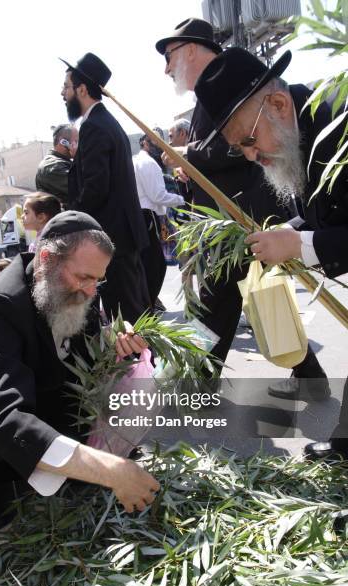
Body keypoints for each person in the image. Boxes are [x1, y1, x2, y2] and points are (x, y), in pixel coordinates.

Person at [0, 210, 159, 554]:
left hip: (36, 393)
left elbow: (79, 359)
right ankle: (4, 507)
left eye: (97, 281)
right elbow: (0, 413)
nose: (90, 292)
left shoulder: (81, 290)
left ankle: (64, 471)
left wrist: (115, 344)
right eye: (84, 277)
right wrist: (110, 471)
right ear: (45, 260)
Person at [155, 18, 328, 396]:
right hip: (230, 225)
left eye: (169, 57)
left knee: (217, 305)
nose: (167, 69)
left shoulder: (247, 90)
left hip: (242, 221)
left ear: (190, 50)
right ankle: (309, 377)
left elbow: (234, 150)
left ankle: (198, 384)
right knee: (244, 304)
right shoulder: (208, 101)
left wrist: (190, 156)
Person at [193, 47, 348, 452]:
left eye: (249, 140)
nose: (252, 156)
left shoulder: (340, 126)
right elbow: (326, 215)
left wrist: (301, 244)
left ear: (278, 104)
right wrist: (290, 230)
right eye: (239, 149)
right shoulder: (298, 131)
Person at [61, 52, 151, 323]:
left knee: (126, 321)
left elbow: (95, 189)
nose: (62, 93)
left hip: (114, 241)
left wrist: (70, 220)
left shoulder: (95, 127)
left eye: (66, 87)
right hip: (120, 239)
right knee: (130, 316)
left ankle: (141, 366)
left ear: (82, 89)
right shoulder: (102, 123)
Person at [133, 134, 185, 309]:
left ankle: (145, 305)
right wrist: (182, 199)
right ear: (145, 143)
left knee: (147, 265)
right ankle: (146, 307)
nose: (161, 146)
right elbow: (158, 196)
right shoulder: (148, 163)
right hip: (148, 216)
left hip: (140, 216)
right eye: (156, 141)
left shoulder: (137, 161)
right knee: (156, 266)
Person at [35, 124, 78, 207]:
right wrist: (79, 157)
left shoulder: (63, 162)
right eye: (76, 141)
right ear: (63, 142)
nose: (79, 145)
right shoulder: (53, 166)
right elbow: (83, 187)